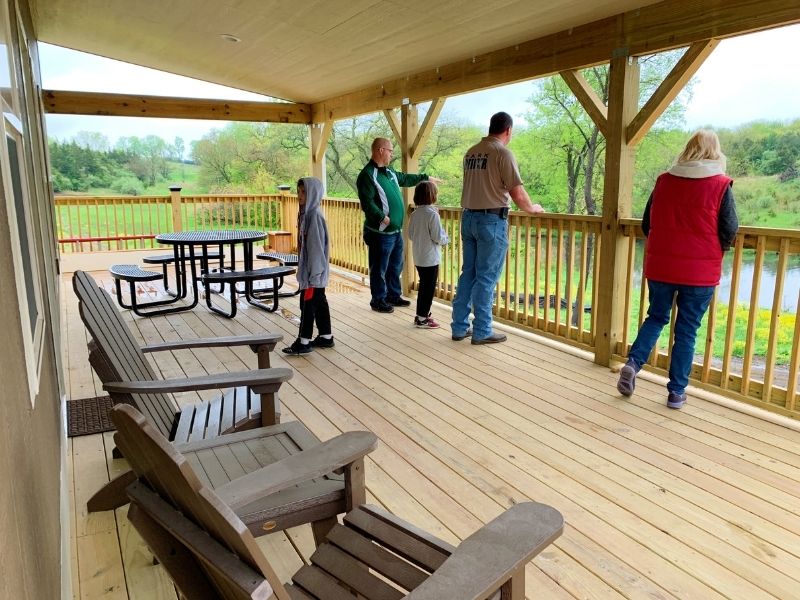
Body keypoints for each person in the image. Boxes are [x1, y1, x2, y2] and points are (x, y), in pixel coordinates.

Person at [617, 129, 738, 409]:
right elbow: (729, 228)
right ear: (715, 151)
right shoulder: (721, 185)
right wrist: (716, 248)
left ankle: (633, 364)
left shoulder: (664, 180)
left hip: (661, 267)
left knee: (656, 317)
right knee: (686, 331)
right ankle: (676, 393)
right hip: (699, 273)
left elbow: (647, 223)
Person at [450, 111, 544, 345]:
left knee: (468, 274)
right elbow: (517, 192)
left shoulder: (471, 152)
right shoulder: (502, 153)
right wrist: (532, 208)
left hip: (469, 218)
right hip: (491, 222)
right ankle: (482, 330)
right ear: (508, 130)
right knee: (486, 278)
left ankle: (459, 327)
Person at [357, 137, 440, 313]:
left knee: (396, 265)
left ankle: (393, 295)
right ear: (380, 150)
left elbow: (405, 178)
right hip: (380, 232)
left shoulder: (390, 172)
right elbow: (367, 202)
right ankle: (378, 300)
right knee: (379, 268)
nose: (391, 154)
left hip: (395, 231)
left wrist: (425, 178)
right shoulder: (367, 175)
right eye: (390, 151)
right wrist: (382, 217)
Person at [282, 177, 334, 355]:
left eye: (304, 192)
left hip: (314, 272)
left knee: (307, 304)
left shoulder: (314, 217)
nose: (300, 195)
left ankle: (303, 341)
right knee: (319, 302)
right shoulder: (306, 214)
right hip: (312, 272)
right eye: (298, 191)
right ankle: (326, 336)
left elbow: (317, 248)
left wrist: (314, 274)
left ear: (314, 193)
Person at [407, 181, 449, 329]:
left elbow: (411, 235)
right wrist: (446, 238)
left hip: (418, 256)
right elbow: (438, 237)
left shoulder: (414, 214)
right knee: (428, 288)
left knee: (424, 286)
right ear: (432, 196)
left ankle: (421, 315)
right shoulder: (432, 215)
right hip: (431, 258)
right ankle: (422, 318)